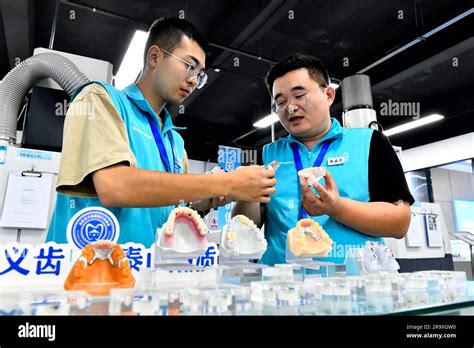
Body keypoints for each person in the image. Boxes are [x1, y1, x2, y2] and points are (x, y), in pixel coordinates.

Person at [46, 17, 276, 247]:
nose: (194, 80)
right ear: (155, 56)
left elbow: (173, 207)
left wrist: (206, 200)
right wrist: (227, 183)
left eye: (200, 73)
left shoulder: (174, 141)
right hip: (92, 272)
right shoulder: (100, 100)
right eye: (189, 65)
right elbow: (114, 186)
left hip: (148, 272)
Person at [233, 54, 414, 265]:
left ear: (328, 94)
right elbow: (245, 226)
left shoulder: (370, 143)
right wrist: (245, 193)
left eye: (299, 95)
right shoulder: (267, 154)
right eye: (280, 101)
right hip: (280, 288)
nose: (290, 107)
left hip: (352, 288)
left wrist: (336, 208)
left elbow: (400, 223)